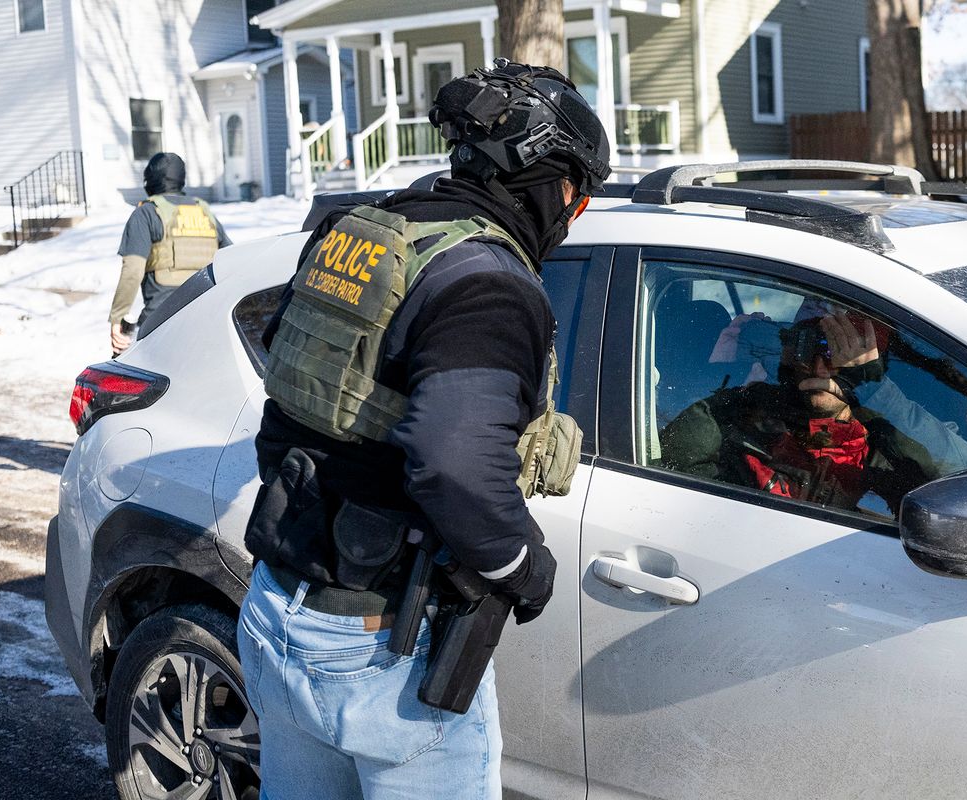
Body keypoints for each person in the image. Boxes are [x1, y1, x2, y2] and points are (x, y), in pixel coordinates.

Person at [236, 61, 610, 800]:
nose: (574, 215)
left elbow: (291, 372)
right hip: (381, 649)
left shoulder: (357, 232)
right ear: (550, 183)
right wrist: (522, 567)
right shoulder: (487, 282)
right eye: (578, 194)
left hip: (278, 608)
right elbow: (453, 463)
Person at [661, 305, 967, 514]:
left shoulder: (890, 438)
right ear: (789, 353)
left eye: (843, 358)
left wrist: (874, 391)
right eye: (810, 348)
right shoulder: (742, 419)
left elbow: (966, 476)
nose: (822, 367)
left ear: (872, 368)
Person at [109, 152, 231, 354]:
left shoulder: (146, 213)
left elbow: (132, 270)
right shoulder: (204, 213)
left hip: (160, 321)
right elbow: (232, 259)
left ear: (150, 179)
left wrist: (117, 317)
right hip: (206, 318)